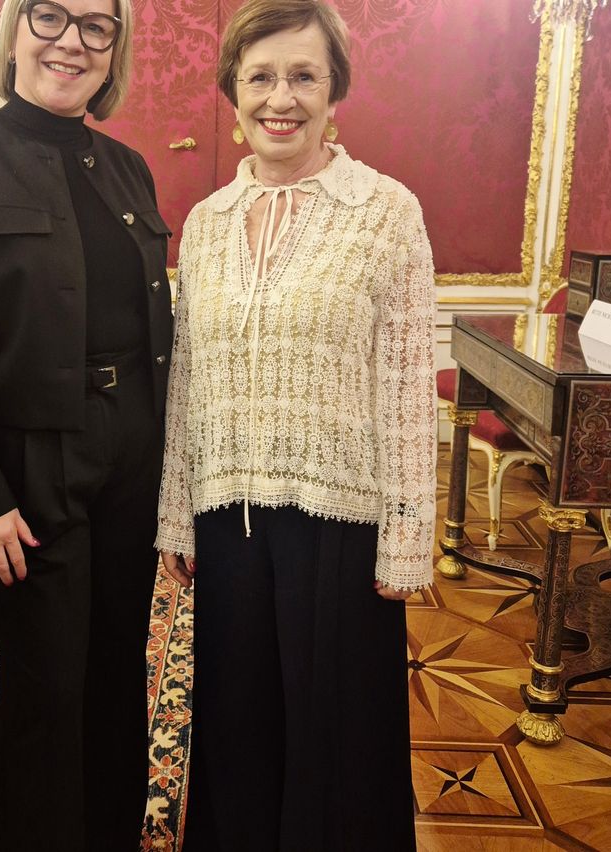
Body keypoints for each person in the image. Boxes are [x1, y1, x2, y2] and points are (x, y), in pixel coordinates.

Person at [0, 1, 172, 848]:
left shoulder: (128, 167)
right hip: (25, 462)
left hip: (132, 450)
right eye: (50, 15)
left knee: (119, 672)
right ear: (15, 27)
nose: (71, 42)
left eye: (97, 25)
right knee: (46, 686)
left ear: (113, 48)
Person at [156, 1, 436, 849]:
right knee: (238, 729)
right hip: (228, 520)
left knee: (339, 736)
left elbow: (405, 382)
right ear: (234, 94)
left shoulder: (386, 212)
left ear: (334, 90)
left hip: (342, 526)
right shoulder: (204, 224)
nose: (282, 97)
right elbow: (190, 376)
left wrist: (409, 533)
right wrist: (178, 507)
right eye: (262, 77)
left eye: (304, 76)